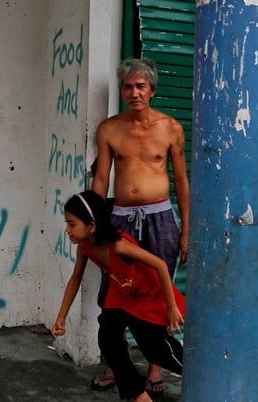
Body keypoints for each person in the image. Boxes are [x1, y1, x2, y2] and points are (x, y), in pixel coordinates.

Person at [90, 57, 190, 394]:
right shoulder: (109, 128)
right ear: (122, 91)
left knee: (158, 295)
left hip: (161, 219)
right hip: (119, 220)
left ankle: (155, 369)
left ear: (152, 90)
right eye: (128, 87)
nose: (134, 92)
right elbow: (101, 178)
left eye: (140, 86)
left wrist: (187, 230)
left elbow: (181, 181)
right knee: (114, 295)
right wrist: (96, 225)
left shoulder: (171, 128)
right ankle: (115, 366)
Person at [52, 191, 185, 402]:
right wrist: (61, 317)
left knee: (156, 350)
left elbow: (160, 265)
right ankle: (138, 395)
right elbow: (75, 279)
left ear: (92, 226)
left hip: (149, 296)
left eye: (72, 224)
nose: (68, 230)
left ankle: (202, 373)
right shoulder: (85, 247)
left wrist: (171, 307)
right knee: (108, 337)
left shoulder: (120, 245)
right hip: (123, 295)